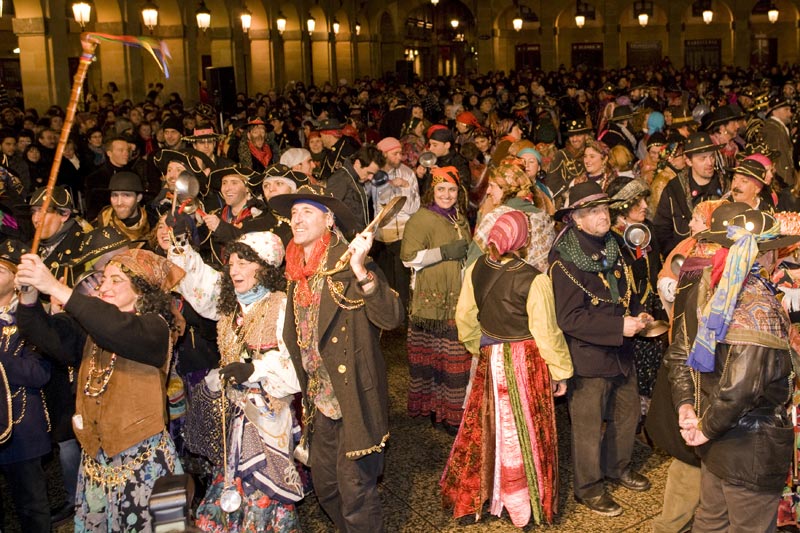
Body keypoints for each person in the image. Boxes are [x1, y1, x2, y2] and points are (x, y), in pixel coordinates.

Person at [16, 247, 185, 532]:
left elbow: (116, 329)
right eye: (103, 279)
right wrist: (30, 292)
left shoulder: (156, 328)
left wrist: (55, 286)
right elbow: (43, 333)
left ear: (142, 291)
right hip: (97, 463)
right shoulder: (91, 327)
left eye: (116, 280)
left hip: (146, 465)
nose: (104, 286)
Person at [270, 184, 404, 533]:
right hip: (319, 400)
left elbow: (391, 318)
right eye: (294, 213)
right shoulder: (296, 271)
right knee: (326, 486)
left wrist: (361, 270)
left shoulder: (349, 265)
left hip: (353, 396)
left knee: (355, 490)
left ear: (328, 219)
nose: (296, 219)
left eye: (307, 212)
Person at [666, 209, 799, 532]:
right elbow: (741, 389)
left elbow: (680, 353)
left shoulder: (708, 288)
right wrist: (705, 429)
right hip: (750, 448)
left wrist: (688, 406)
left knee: (711, 522)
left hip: (716, 442)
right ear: (763, 253)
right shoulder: (759, 305)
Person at [441, 210, 572, 527]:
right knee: (522, 429)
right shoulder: (535, 279)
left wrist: (480, 348)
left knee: (486, 426)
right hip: (525, 362)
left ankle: (476, 496)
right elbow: (546, 332)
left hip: (491, 358)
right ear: (523, 240)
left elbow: (465, 319)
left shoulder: (475, 269)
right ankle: (520, 505)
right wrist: (560, 371)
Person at [167, 231, 304, 532]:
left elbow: (296, 366)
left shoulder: (281, 306)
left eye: (243, 263)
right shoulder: (230, 308)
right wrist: (180, 244)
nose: (234, 270)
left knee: (261, 488)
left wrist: (252, 369)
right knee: (230, 480)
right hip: (231, 416)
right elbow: (198, 282)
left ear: (264, 267)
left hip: (269, 415)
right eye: (231, 263)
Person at [549, 181, 652, 517]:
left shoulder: (612, 245)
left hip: (621, 349)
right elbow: (569, 318)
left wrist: (637, 311)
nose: (603, 216)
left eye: (605, 209)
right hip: (589, 354)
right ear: (576, 219)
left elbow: (625, 288)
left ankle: (617, 467)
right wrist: (616, 327)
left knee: (628, 414)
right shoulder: (565, 258)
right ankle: (589, 488)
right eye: (593, 211)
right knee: (588, 427)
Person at [400, 166, 471, 434]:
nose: (447, 194)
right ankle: (432, 410)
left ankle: (450, 414)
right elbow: (408, 258)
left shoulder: (459, 218)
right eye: (441, 189)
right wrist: (443, 252)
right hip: (430, 304)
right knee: (432, 362)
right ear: (432, 190)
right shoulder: (421, 219)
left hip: (458, 299)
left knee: (453, 365)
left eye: (452, 189)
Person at [0, 239, 51, 533]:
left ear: (17, 282)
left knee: (32, 508)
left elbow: (37, 372)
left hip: (22, 430)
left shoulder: (32, 320)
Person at [653, 131, 728, 255]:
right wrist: (679, 257)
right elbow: (661, 230)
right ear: (688, 161)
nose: (710, 162)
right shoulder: (674, 189)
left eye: (712, 156)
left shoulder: (725, 185)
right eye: (702, 158)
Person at [325, 144, 385, 235]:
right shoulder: (340, 179)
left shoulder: (356, 179)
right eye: (369, 173)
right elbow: (327, 212)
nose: (370, 177)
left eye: (373, 174)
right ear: (357, 163)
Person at [95, 171, 151, 242]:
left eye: (126, 195)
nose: (119, 202)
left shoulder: (153, 225)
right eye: (115, 195)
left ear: (138, 198)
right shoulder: (99, 225)